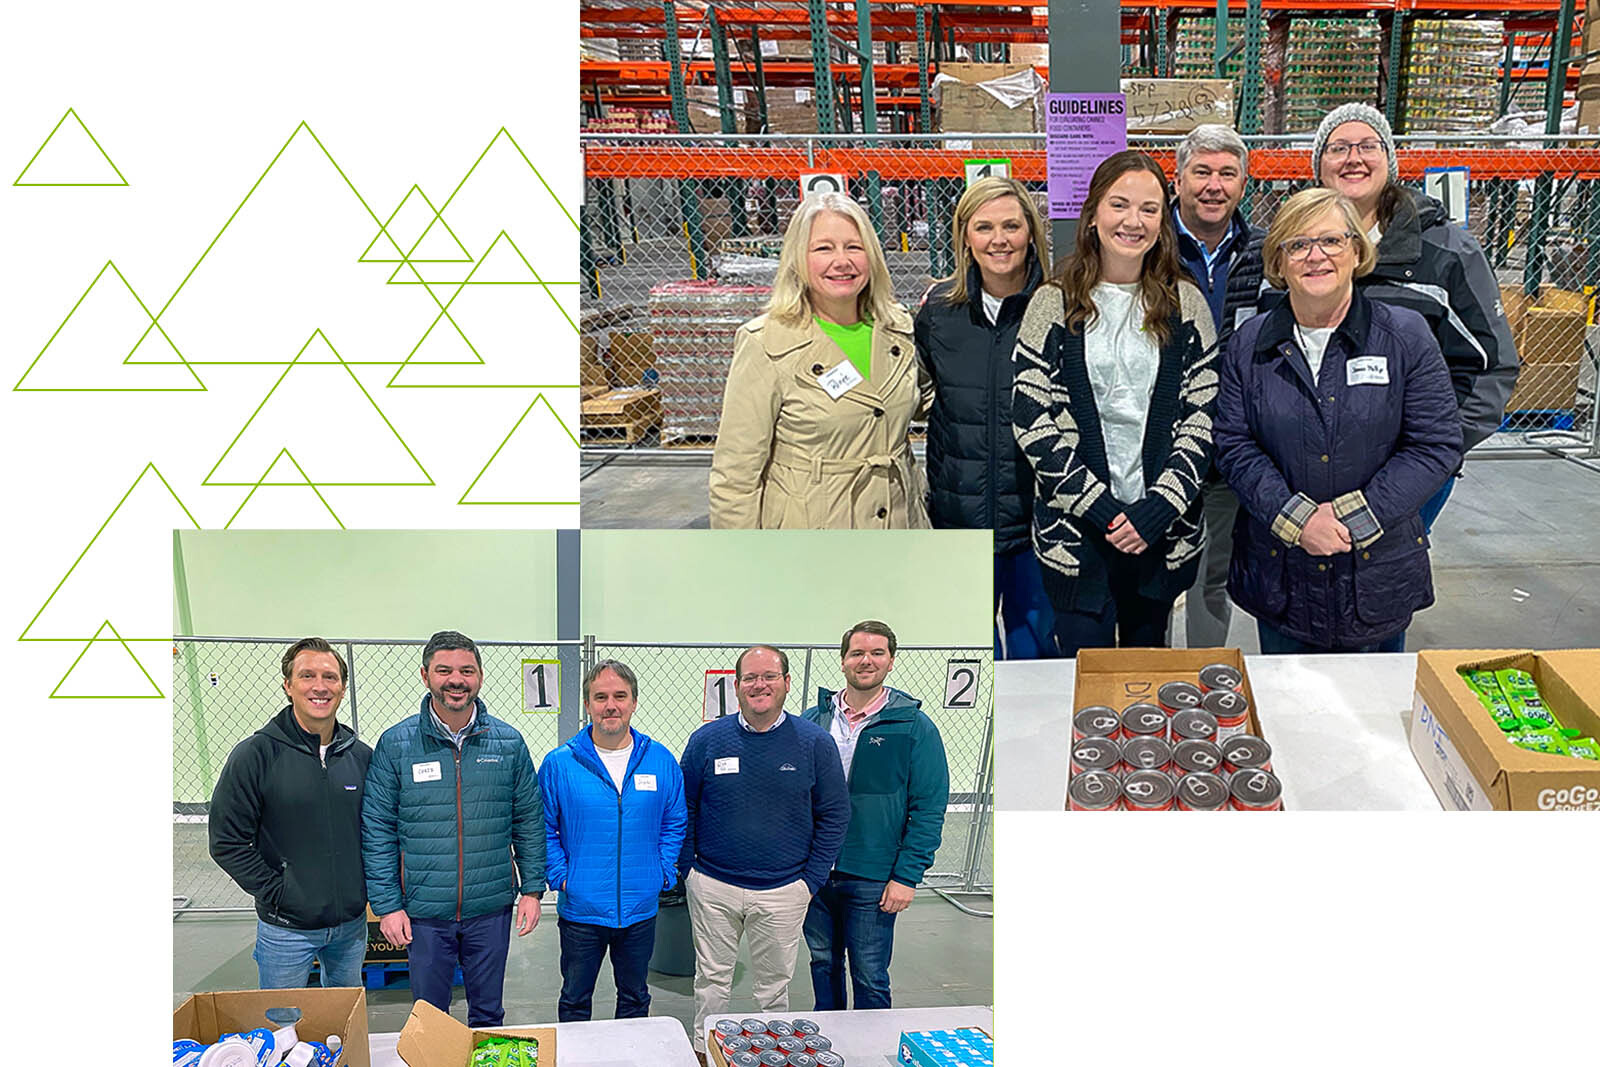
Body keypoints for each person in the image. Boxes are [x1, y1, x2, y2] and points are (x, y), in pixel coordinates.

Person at [1215, 188, 1462, 653]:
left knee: (1372, 714)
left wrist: (1355, 517)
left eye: (1331, 241)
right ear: (1280, 261)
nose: (1316, 256)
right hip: (1281, 572)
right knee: (1288, 707)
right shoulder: (1250, 344)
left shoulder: (1405, 337)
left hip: (1374, 573)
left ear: (1356, 251)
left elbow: (1436, 445)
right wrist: (1298, 520)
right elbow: (1233, 443)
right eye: (1298, 244)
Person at [1012, 150, 1219, 656]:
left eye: (1149, 209)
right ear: (1093, 213)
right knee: (1085, 678)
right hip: (1077, 535)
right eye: (1119, 204)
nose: (1134, 221)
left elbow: (1203, 416)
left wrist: (1156, 508)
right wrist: (1102, 509)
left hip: (1161, 532)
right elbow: (1031, 419)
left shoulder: (1186, 304)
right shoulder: (1053, 302)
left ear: (1163, 220)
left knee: (1149, 678)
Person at [1307, 102, 1517, 532]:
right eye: (1338, 147)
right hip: (1310, 475)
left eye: (1368, 145)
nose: (1354, 158)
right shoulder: (1295, 246)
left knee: (1385, 587)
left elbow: (1488, 367)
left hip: (1407, 479)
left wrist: (1431, 451)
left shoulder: (1444, 252)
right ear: (1319, 166)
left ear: (1389, 161)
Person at [709, 191, 928, 529]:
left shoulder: (898, 329)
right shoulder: (765, 344)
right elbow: (735, 475)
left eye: (854, 247)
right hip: (813, 536)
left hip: (899, 523)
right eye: (824, 248)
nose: (842, 261)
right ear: (798, 258)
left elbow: (926, 399)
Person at [362, 631, 544, 1027]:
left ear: (480, 677)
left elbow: (529, 820)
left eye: (466, 670)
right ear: (425, 676)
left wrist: (532, 889)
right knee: (429, 1018)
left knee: (488, 1013)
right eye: (444, 670)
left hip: (490, 907)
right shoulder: (396, 745)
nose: (456, 680)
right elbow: (378, 828)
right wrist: (388, 905)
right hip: (424, 910)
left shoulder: (508, 743)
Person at [677, 645, 849, 1057]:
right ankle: (706, 1051)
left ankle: (774, 1055)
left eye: (769, 676)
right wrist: (689, 871)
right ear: (736, 687)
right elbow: (683, 807)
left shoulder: (814, 744)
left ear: (787, 683)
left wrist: (810, 881)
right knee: (712, 979)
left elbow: (835, 814)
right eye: (750, 678)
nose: (760, 685)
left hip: (784, 891)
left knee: (773, 986)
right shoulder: (707, 741)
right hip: (713, 885)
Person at [915, 176, 1057, 658]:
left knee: (1035, 656)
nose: (999, 239)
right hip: (961, 520)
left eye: (1012, 226)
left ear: (1031, 232)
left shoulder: (1058, 307)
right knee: (970, 659)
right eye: (985, 227)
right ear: (965, 237)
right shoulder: (939, 313)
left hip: (1037, 521)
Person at [799, 621, 948, 1011]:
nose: (867, 661)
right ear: (844, 660)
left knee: (869, 975)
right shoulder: (813, 721)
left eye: (877, 653)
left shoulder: (913, 726)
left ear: (891, 661)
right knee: (822, 965)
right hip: (815, 872)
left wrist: (906, 877)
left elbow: (929, 808)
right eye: (858, 653)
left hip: (874, 877)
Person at [209, 637, 373, 989]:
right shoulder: (255, 755)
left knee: (343, 1026)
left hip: (351, 927)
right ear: (288, 686)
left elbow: (376, 832)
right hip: (286, 930)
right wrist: (280, 892)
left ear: (343, 687)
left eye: (330, 677)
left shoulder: (361, 757)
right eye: (307, 676)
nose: (319, 686)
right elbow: (227, 841)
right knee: (281, 1028)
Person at [539, 660, 686, 1022]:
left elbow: (675, 821)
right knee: (575, 998)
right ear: (588, 704)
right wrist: (561, 877)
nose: (611, 705)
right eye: (600, 696)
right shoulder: (560, 764)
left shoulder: (660, 760)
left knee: (635, 997)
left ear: (634, 702)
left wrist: (663, 872)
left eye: (620, 696)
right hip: (581, 910)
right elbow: (542, 827)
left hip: (640, 908)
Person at [1170, 124, 1266, 649]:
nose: (1214, 185)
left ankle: (1203, 677)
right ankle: (1147, 673)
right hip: (1157, 441)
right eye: (1202, 171)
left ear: (1243, 183)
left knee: (1213, 572)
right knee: (1155, 574)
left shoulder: (1263, 253)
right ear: (1179, 178)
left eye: (1227, 173)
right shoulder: (1151, 244)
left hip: (1230, 439)